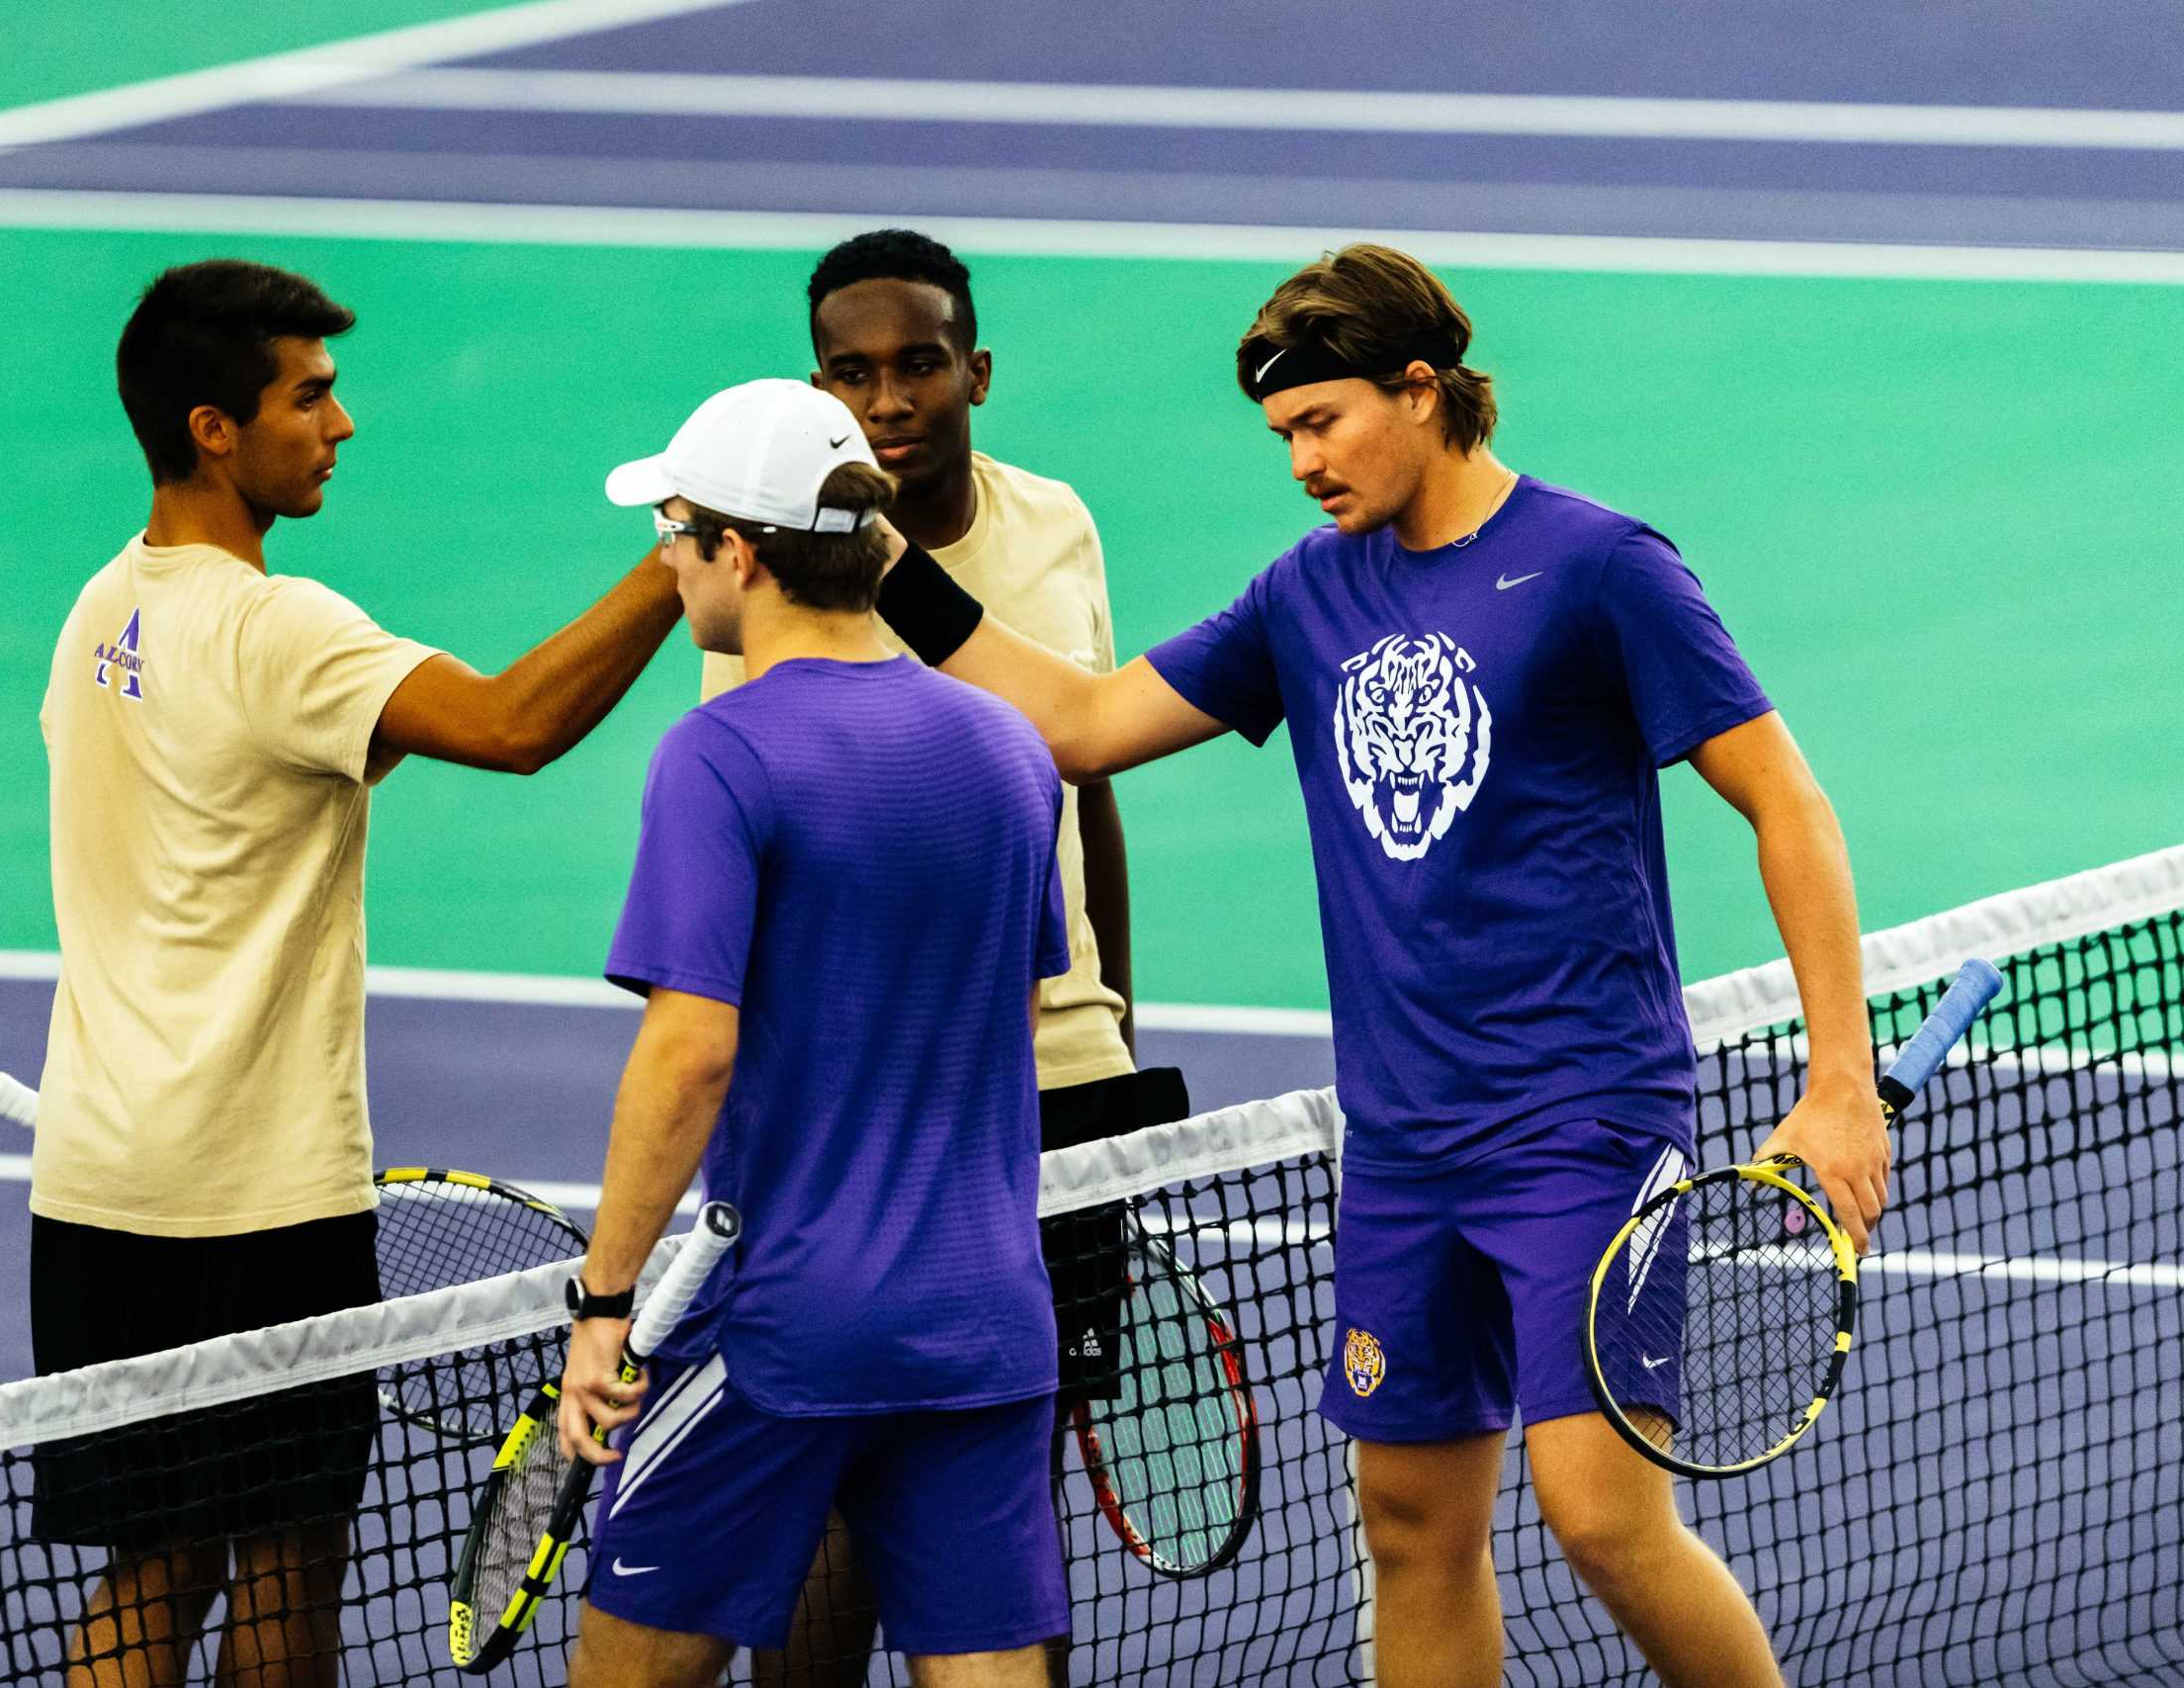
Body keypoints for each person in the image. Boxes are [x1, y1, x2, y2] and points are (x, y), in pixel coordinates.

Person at [866, 243, 1891, 1688]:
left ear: (1424, 390)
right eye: (1282, 436)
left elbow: (1788, 800)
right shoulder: (1306, 598)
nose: (1299, 464)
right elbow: (1082, 725)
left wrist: (1837, 1077)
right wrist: (888, 568)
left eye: (1321, 423)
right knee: (1409, 1522)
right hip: (1404, 1146)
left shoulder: (1602, 567)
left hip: (1580, 1124)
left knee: (1601, 1519)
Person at [32, 258, 683, 1688]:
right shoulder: (279, 630)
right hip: (253, 1197)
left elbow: (291, 760)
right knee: (285, 1566)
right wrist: (679, 551)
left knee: (159, 1568)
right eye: (309, 396)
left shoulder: (98, 618)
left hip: (95, 1187)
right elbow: (515, 725)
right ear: (216, 428)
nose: (342, 424)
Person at [698, 227, 1184, 1685]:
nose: (890, 396)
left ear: (976, 370)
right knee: (837, 1501)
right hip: (874, 1105)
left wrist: (1114, 1028)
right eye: (853, 372)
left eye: (918, 363)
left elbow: (1090, 787)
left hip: (1061, 1083)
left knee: (994, 1489)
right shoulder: (775, 577)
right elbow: (772, 842)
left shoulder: (1057, 524)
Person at [557, 378, 1074, 1688]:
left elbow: (690, 1051)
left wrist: (604, 1306)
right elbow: (1005, 1024)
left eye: (676, 531)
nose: (668, 561)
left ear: (740, 551)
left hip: (784, 1329)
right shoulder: (1009, 747)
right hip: (987, 1320)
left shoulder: (718, 754)